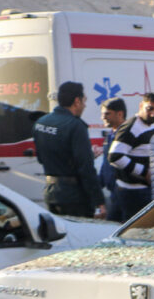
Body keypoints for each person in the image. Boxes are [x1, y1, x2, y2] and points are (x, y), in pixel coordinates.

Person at [33, 81, 106, 219]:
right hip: (74, 197)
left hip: (51, 192)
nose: (84, 105)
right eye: (84, 101)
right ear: (77, 101)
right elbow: (86, 168)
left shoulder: (41, 122)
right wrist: (99, 201)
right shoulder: (75, 126)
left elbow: (41, 158)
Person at [108, 92, 154, 219]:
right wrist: (145, 172)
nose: (153, 114)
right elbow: (115, 157)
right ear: (141, 106)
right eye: (149, 109)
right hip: (132, 192)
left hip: (138, 190)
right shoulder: (132, 127)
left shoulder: (148, 126)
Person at [98, 97, 126, 221]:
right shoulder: (110, 136)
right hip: (113, 193)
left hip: (123, 193)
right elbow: (106, 165)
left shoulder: (127, 135)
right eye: (102, 114)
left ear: (119, 114)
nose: (103, 117)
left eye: (107, 114)